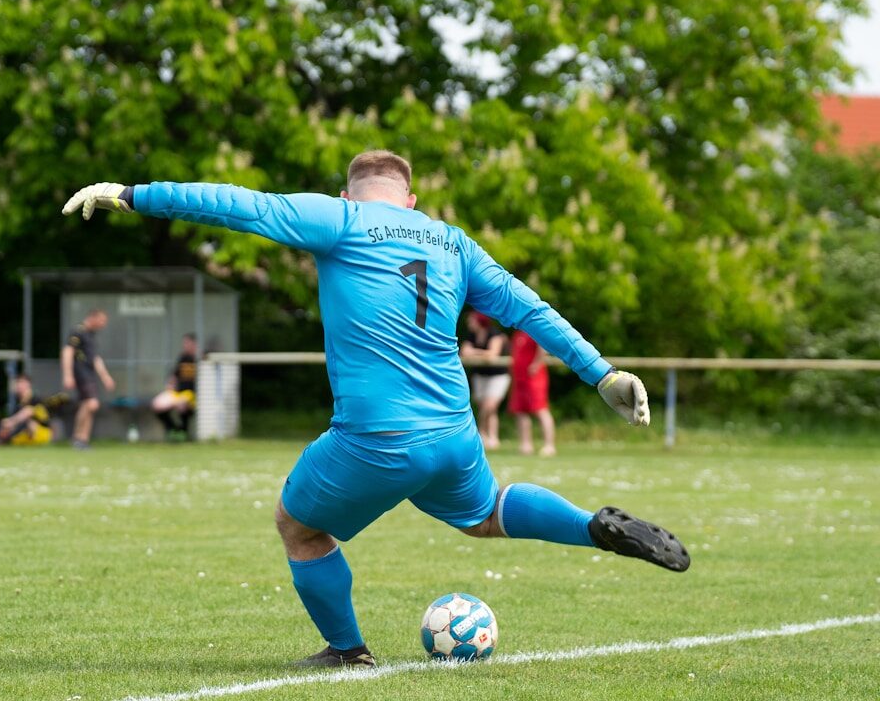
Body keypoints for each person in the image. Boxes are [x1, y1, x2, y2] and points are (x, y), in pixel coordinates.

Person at [63, 152, 690, 668]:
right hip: (454, 434)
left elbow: (239, 205)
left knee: (298, 526)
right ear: (410, 200)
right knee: (486, 515)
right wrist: (601, 372)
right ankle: (591, 527)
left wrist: (134, 194)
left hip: (376, 438)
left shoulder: (341, 219)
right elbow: (528, 307)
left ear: (349, 193)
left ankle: (347, 651)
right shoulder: (451, 242)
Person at [60, 309, 114, 450]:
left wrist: (105, 376)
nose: (103, 324)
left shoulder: (91, 335)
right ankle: (78, 438)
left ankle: (82, 439)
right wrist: (67, 375)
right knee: (91, 404)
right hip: (81, 373)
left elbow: (95, 358)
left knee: (88, 405)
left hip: (89, 374)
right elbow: (67, 352)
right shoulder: (78, 331)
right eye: (101, 320)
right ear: (92, 317)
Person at [460, 311, 510, 450]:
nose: (469, 323)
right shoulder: (471, 335)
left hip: (498, 376)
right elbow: (463, 352)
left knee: (490, 406)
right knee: (485, 408)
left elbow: (493, 355)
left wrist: (474, 352)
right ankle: (492, 437)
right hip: (480, 375)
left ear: (479, 321)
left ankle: (481, 432)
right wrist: (482, 353)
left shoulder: (494, 334)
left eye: (471, 320)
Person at [0, 374, 68, 446]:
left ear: (28, 384)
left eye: (22, 383)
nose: (19, 386)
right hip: (24, 435)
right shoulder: (18, 405)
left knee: (26, 421)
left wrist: (11, 422)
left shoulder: (36, 400)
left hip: (40, 433)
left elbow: (28, 412)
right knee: (7, 424)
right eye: (18, 383)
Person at [509, 330, 556, 457]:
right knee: (520, 411)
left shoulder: (533, 330)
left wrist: (536, 364)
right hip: (520, 378)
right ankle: (526, 445)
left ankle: (549, 445)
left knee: (541, 410)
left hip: (534, 377)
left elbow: (543, 348)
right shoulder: (518, 333)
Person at [152, 334, 198, 439]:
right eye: (184, 343)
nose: (185, 345)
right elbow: (174, 375)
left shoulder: (198, 359)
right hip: (179, 393)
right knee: (157, 404)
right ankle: (173, 429)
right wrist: (170, 384)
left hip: (191, 394)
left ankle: (184, 432)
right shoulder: (182, 358)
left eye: (187, 343)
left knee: (182, 404)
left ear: (194, 344)